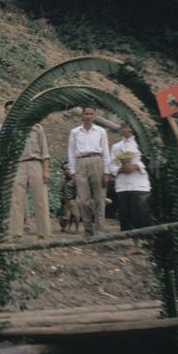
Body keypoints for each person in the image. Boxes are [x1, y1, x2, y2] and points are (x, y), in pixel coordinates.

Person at [6, 101, 51, 239]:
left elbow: (45, 151)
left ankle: (43, 233)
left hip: (36, 163)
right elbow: (7, 153)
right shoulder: (9, 131)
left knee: (40, 199)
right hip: (18, 166)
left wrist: (46, 170)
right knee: (16, 200)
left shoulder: (36, 127)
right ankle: (16, 233)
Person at [67, 105, 111, 237]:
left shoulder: (101, 131)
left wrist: (107, 171)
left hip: (97, 161)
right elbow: (71, 152)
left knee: (99, 198)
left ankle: (99, 229)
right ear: (82, 115)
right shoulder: (75, 132)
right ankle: (88, 230)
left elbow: (106, 151)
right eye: (86, 113)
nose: (88, 116)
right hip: (81, 162)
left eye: (91, 114)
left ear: (95, 116)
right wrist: (72, 172)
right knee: (83, 199)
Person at [109, 123, 151, 252]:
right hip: (123, 184)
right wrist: (120, 169)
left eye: (129, 127)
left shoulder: (142, 144)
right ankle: (135, 244)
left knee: (141, 213)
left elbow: (148, 161)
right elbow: (111, 165)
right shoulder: (116, 147)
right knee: (128, 214)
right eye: (124, 127)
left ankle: (146, 243)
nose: (127, 130)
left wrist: (136, 166)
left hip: (139, 183)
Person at [58, 162, 81, 233]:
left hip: (79, 201)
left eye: (68, 169)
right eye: (65, 169)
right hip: (67, 202)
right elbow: (60, 193)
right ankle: (65, 225)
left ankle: (76, 228)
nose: (67, 171)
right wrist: (65, 200)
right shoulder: (62, 181)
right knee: (66, 215)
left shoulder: (79, 179)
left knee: (76, 212)